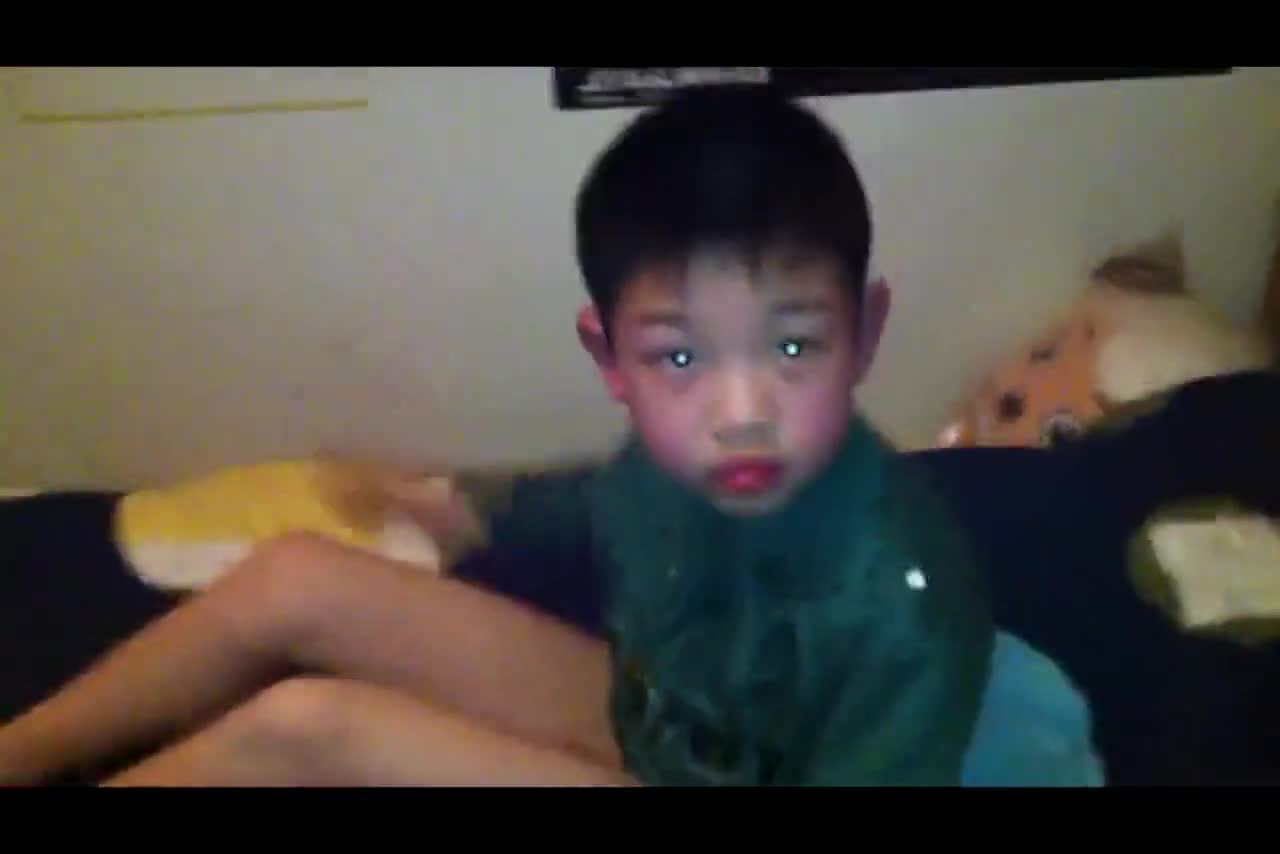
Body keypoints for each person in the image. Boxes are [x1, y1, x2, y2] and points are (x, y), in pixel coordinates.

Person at [0, 88, 1101, 786]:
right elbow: (587, 502)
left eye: (790, 345)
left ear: (864, 333)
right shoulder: (670, 470)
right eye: (679, 357)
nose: (739, 412)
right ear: (609, 358)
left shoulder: (901, 602)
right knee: (295, 574)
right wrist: (455, 506)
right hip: (671, 725)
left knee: (307, 726)